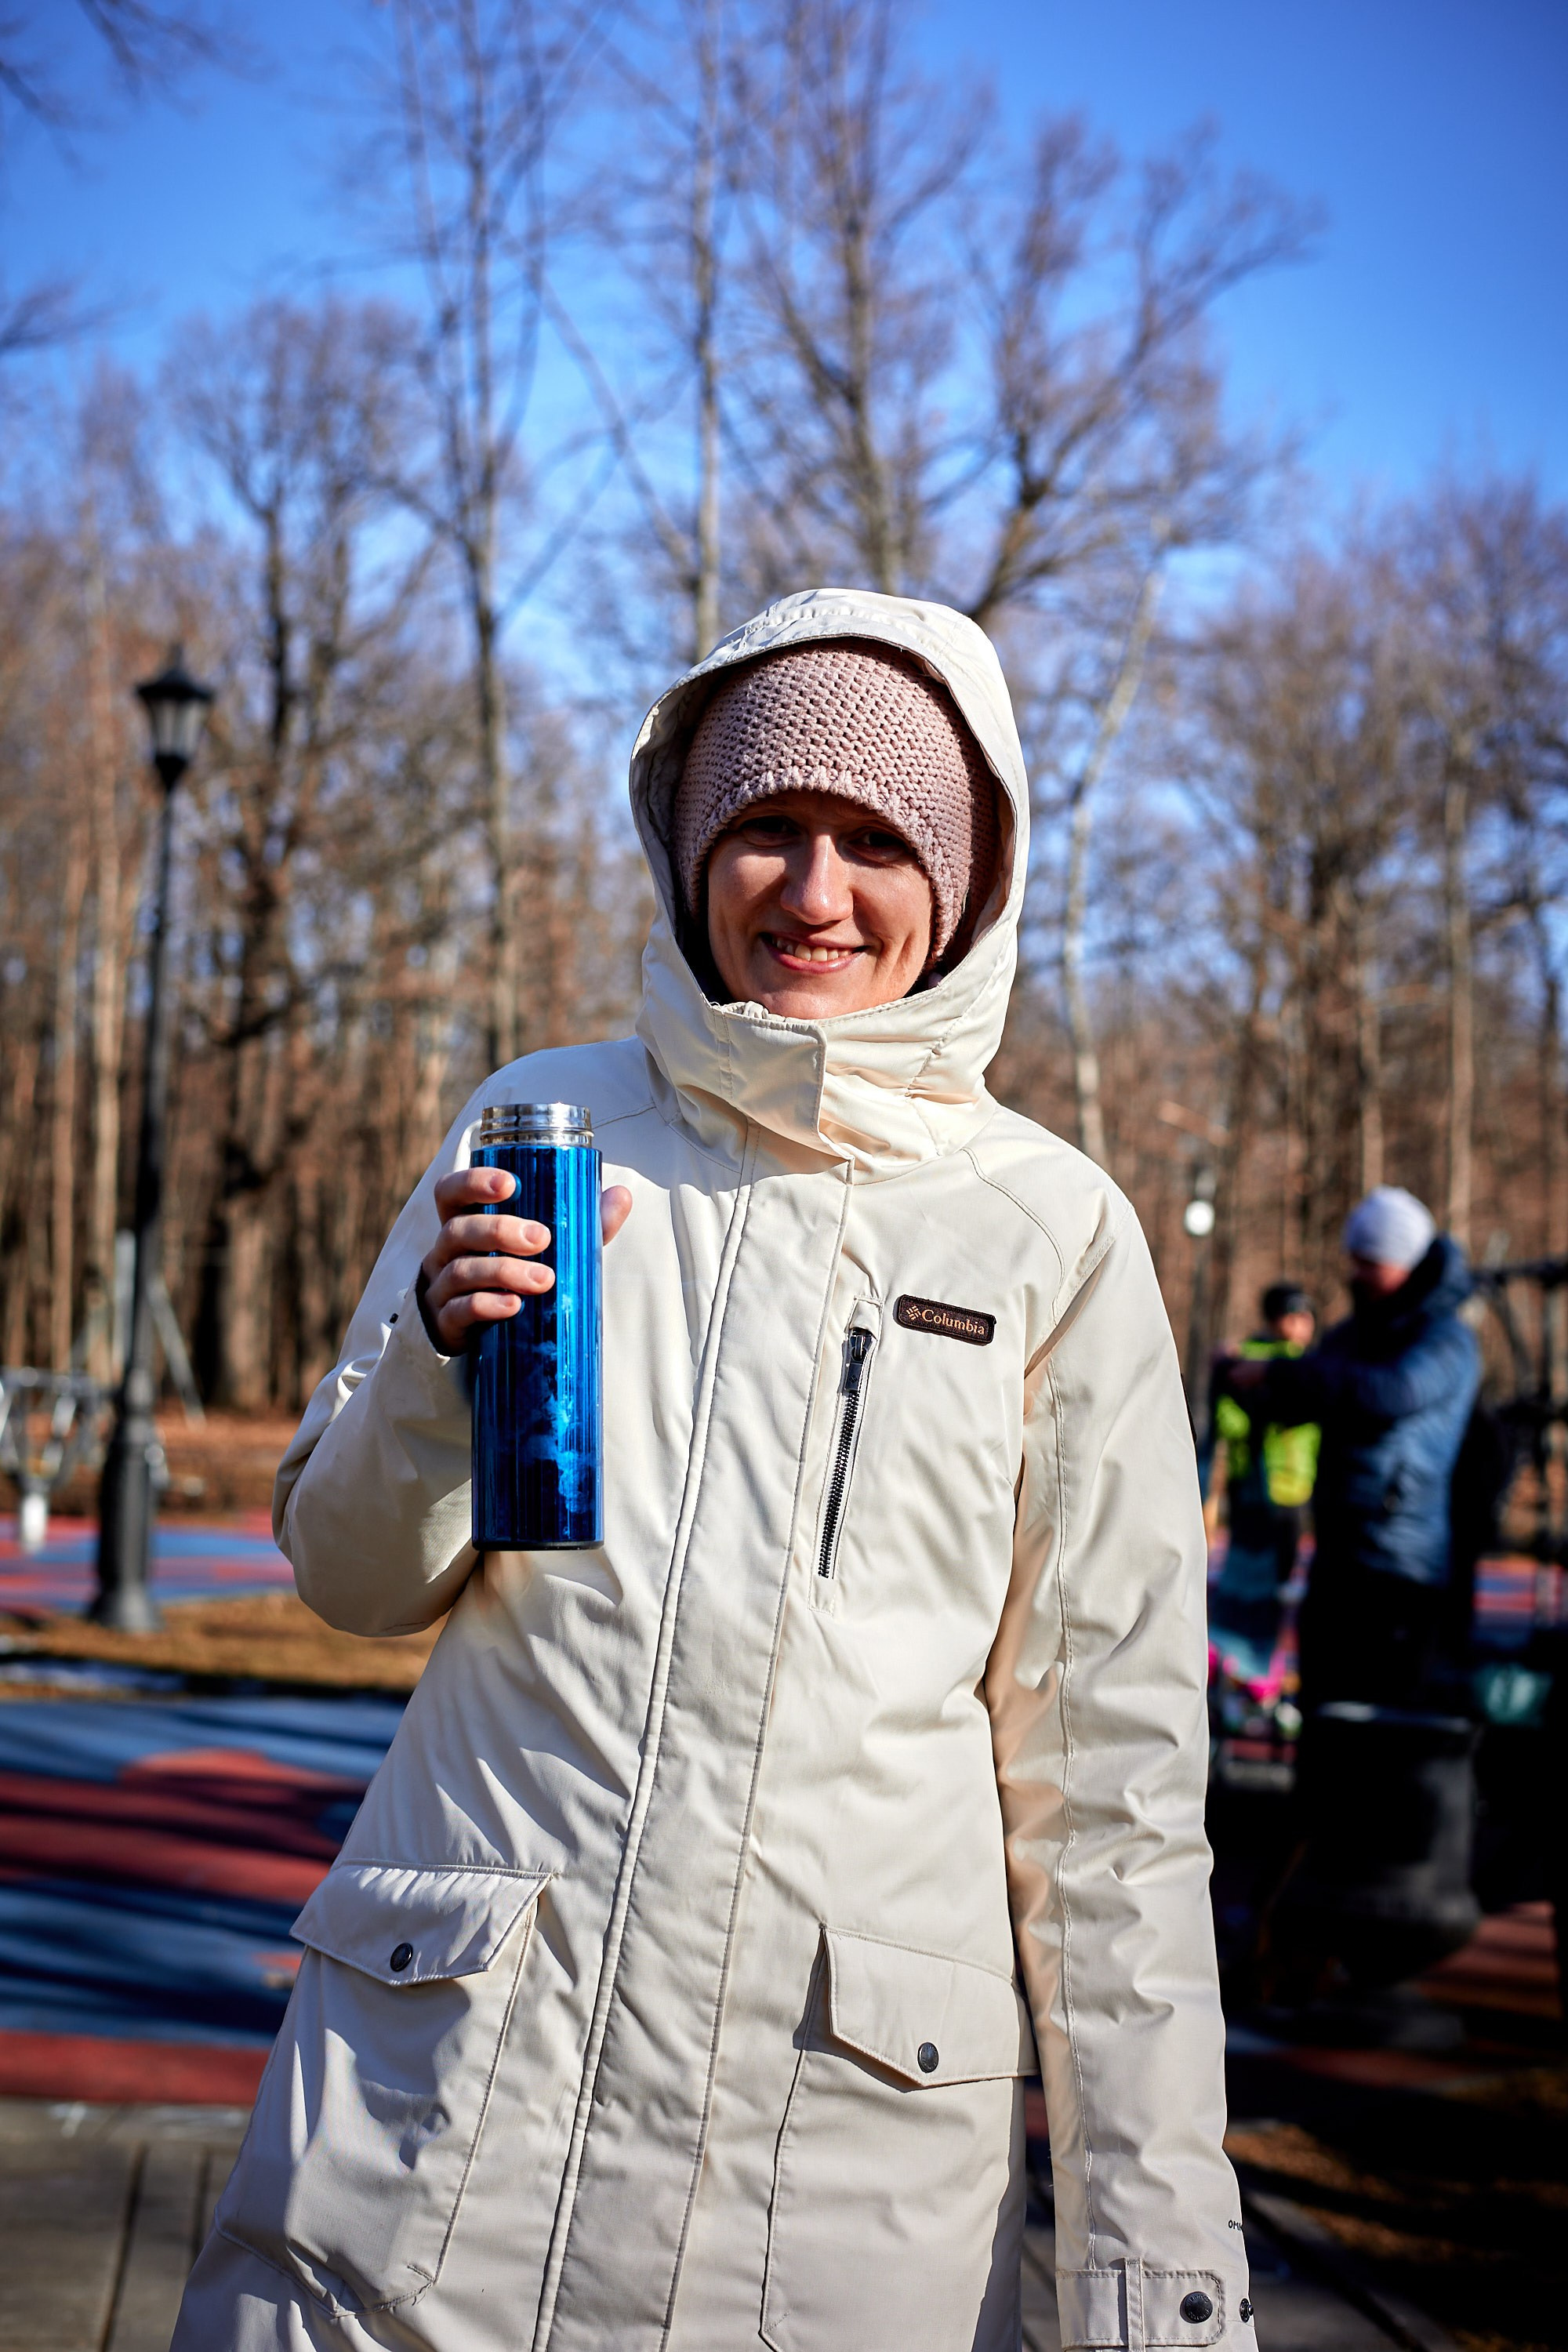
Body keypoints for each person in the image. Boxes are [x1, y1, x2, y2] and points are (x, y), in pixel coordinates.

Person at [173, 591, 1252, 2352]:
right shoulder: (545, 1121)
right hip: (435, 2141)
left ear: (963, 880)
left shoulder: (1049, 1231)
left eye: (872, 842)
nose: (813, 893)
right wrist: (439, 1377)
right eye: (765, 828)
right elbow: (348, 1575)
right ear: (689, 851)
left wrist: (1159, 2282)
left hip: (835, 2206)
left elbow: (1115, 1793)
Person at [1228, 1186, 1480, 1716]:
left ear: (1405, 1263)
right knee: (1328, 1715)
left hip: (1402, 1573)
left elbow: (1388, 1393)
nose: (1355, 1274)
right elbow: (1304, 1400)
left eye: (1370, 1263)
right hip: (1340, 1560)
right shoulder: (1355, 1335)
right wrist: (1243, 1385)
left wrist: (1279, 1370)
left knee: (1387, 1727)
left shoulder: (1445, 1340)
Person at [1204, 1283, 1319, 1687]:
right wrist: (1253, 1420)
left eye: (1306, 1318)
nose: (1300, 1326)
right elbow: (1227, 1418)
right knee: (1249, 1575)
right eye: (1293, 1316)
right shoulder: (1246, 1358)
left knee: (1284, 1581)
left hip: (1295, 1488)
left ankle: (1265, 1663)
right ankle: (1242, 1664)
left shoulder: (1309, 1363)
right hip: (1253, 1484)